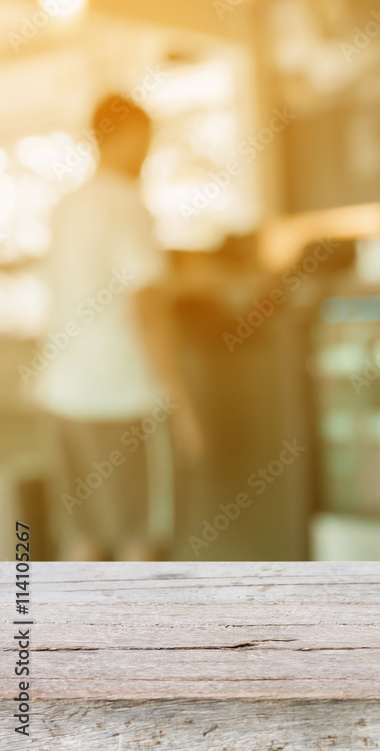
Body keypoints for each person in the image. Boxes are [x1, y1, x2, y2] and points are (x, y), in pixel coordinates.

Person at [35, 94, 202, 561]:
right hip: (122, 401)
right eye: (145, 141)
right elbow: (148, 312)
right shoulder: (128, 205)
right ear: (126, 135)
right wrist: (183, 407)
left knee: (83, 537)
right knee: (139, 541)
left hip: (63, 395)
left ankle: (66, 637)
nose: (147, 154)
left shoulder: (67, 206)